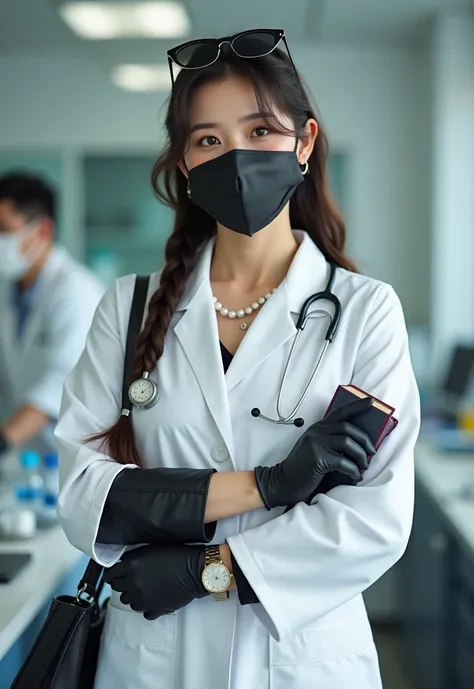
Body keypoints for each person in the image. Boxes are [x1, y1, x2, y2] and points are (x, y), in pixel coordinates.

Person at [55, 29, 420, 689]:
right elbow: (83, 495)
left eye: (259, 131)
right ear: (187, 164)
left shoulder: (366, 310)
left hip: (302, 658)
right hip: (151, 655)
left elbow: (375, 518)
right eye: (208, 140)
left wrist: (207, 568)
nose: (236, 157)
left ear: (303, 143)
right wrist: (272, 485)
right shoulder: (127, 307)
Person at [0, 172, 103, 459]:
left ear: (42, 230)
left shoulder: (76, 290)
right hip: (27, 459)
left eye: (3, 229)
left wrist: (4, 439)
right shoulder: (10, 291)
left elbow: (60, 381)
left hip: (72, 457)